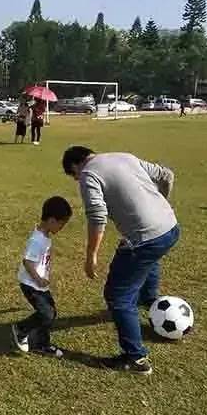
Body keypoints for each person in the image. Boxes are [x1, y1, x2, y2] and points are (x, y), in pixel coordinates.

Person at [62, 145, 180, 375]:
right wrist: (159, 206)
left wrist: (91, 255)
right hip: (171, 227)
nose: (78, 181)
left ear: (76, 166)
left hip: (148, 239)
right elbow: (167, 175)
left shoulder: (89, 174)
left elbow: (97, 215)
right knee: (145, 258)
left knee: (118, 296)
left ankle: (135, 359)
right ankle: (150, 301)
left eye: (74, 176)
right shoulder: (124, 156)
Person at [11, 195, 72, 358]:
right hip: (31, 284)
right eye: (62, 224)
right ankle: (21, 329)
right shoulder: (37, 240)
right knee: (46, 314)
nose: (62, 228)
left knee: (50, 313)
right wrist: (38, 279)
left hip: (40, 284)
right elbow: (27, 262)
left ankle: (41, 345)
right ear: (52, 220)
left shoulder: (44, 236)